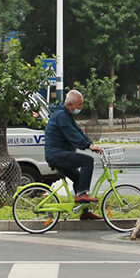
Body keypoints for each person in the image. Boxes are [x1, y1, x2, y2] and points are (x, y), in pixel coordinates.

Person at [44, 90, 104, 219]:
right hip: (57, 154)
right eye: (79, 105)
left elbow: (77, 131)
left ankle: (85, 212)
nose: (81, 108)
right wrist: (87, 146)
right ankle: (81, 194)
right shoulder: (61, 115)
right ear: (70, 104)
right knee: (87, 161)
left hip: (60, 153)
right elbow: (71, 134)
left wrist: (89, 144)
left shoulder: (65, 114)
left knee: (78, 179)